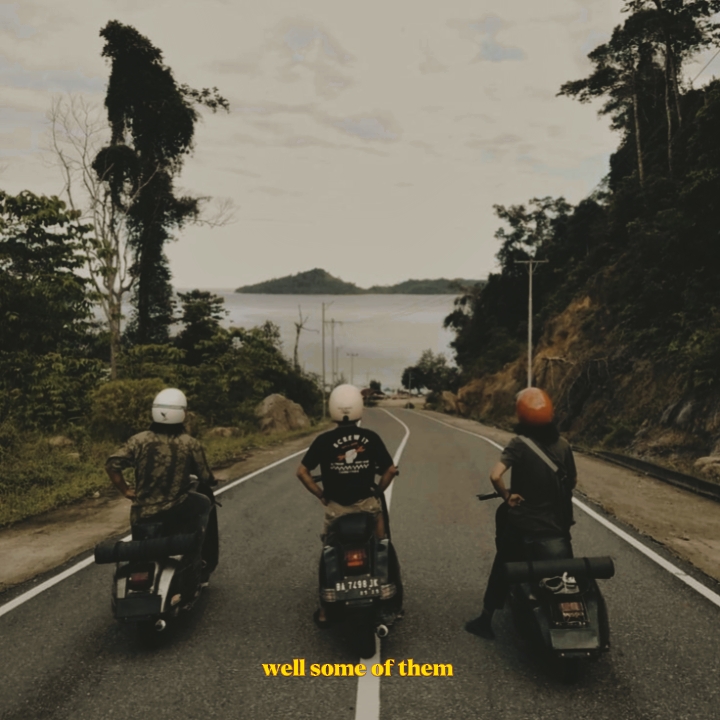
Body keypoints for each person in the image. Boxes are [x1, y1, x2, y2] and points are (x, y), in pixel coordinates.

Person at [465, 387, 577, 639]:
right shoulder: (563, 445)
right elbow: (572, 482)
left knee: (503, 564)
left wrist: (507, 496)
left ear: (521, 416)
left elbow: (495, 475)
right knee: (566, 568)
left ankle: (485, 620)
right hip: (557, 524)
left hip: (524, 524)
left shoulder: (519, 444)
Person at [296, 383, 398, 626]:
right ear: (359, 408)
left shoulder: (323, 440)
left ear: (333, 409)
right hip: (367, 507)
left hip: (336, 510)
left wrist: (321, 494)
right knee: (382, 545)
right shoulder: (370, 437)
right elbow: (390, 470)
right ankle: (390, 599)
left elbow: (301, 472)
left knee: (328, 551)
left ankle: (324, 611)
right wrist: (377, 491)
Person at [105, 387, 219, 583]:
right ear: (182, 414)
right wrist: (212, 480)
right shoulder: (190, 443)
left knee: (141, 547)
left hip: (142, 513)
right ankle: (203, 565)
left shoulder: (138, 440)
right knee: (205, 504)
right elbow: (205, 476)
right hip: (177, 510)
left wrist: (126, 490)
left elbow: (111, 465)